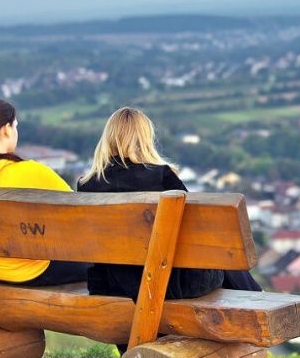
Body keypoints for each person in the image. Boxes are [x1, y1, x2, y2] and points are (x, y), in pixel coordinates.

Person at [78, 106, 262, 299]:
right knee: (218, 249)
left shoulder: (86, 186)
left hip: (109, 285)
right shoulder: (162, 176)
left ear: (107, 139)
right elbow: (197, 229)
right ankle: (256, 295)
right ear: (145, 139)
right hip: (170, 285)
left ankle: (255, 294)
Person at [0, 97, 90, 286]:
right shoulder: (30, 171)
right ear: (6, 130)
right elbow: (83, 210)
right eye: (15, 126)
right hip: (33, 270)